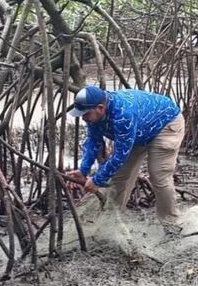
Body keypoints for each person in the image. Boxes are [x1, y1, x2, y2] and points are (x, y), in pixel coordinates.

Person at [66, 86, 185, 229]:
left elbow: (120, 155)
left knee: (158, 176)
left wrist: (97, 180)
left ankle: (172, 225)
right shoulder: (93, 115)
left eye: (86, 113)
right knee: (120, 177)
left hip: (165, 124)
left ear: (100, 108)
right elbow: (93, 141)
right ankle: (111, 222)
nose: (83, 117)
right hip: (138, 130)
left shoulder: (123, 115)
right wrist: (83, 170)